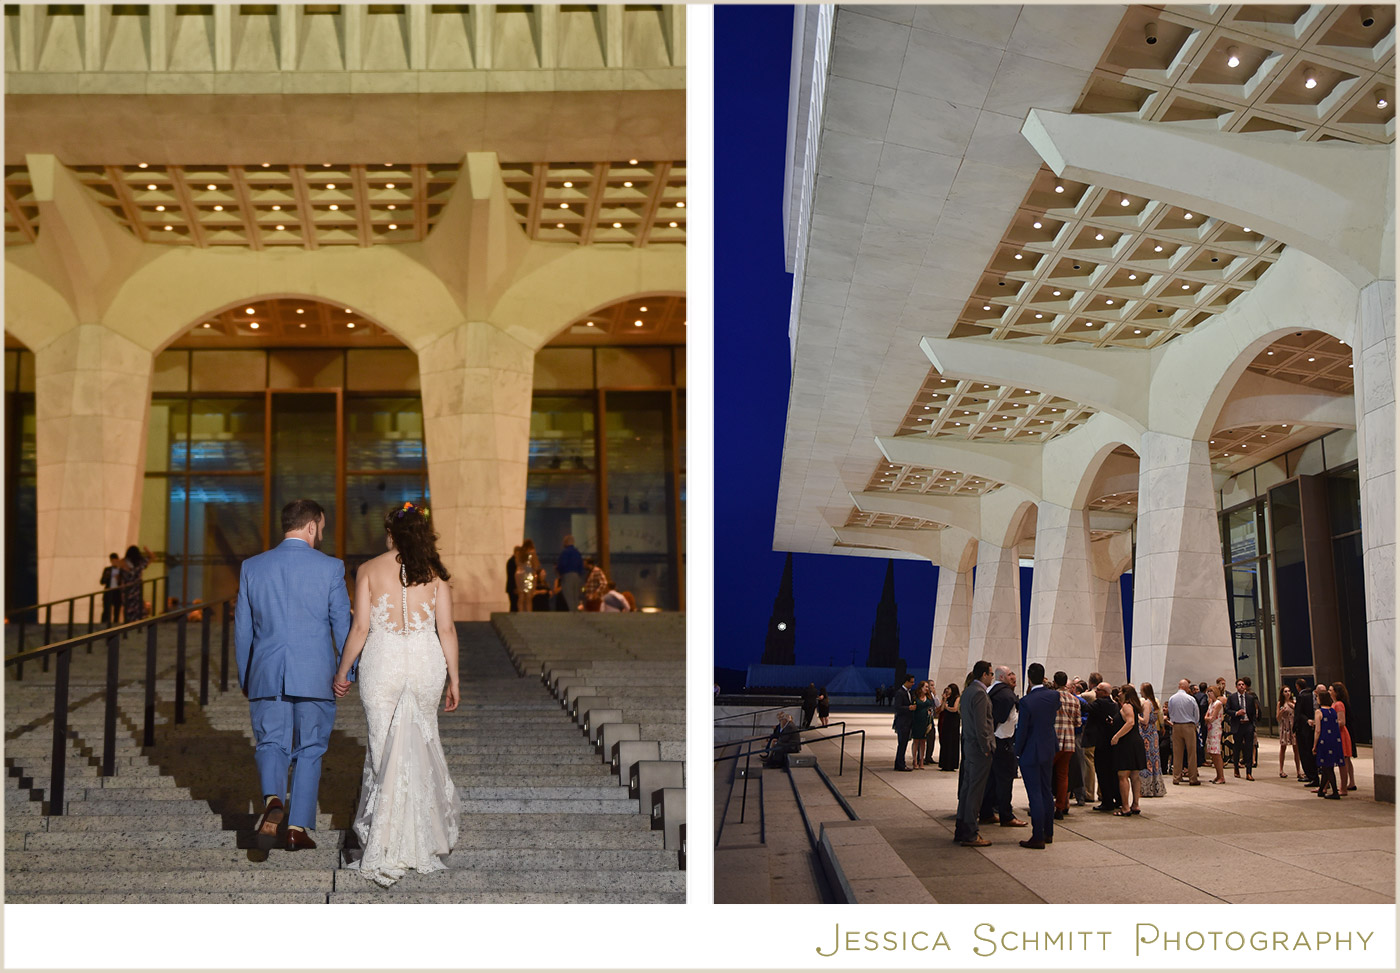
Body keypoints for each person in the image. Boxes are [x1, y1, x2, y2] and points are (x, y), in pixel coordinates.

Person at [333, 501, 460, 885]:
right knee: (423, 740)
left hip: (383, 661)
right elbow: (448, 631)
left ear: (391, 533)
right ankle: (421, 835)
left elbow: (359, 629)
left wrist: (342, 671)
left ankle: (385, 841)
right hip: (424, 662)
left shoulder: (369, 569)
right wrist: (455, 678)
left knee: (382, 747)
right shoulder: (435, 574)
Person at [234, 499, 351, 852]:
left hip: (266, 672)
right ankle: (297, 828)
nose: (321, 536)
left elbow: (242, 631)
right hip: (316, 674)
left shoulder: (252, 567)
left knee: (271, 742)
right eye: (322, 529)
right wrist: (348, 672)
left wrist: (247, 677)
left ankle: (272, 797)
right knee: (311, 748)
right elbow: (342, 624)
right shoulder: (331, 568)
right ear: (312, 526)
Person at [1014, 663, 1060, 849]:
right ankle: (1048, 832)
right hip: (1048, 748)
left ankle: (1037, 836)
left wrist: (1017, 751)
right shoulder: (1054, 696)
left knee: (1035, 794)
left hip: (1031, 751)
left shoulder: (1026, 701)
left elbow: (1023, 730)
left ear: (1029, 678)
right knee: (1046, 791)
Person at [954, 661, 995, 847]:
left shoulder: (968, 691)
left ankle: (961, 829)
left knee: (967, 789)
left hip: (969, 747)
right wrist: (986, 747)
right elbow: (982, 725)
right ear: (984, 674)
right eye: (991, 674)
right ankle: (970, 833)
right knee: (975, 792)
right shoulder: (979, 693)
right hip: (979, 750)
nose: (992, 677)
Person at [981, 667, 1027, 829]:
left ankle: (986, 812)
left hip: (993, 741)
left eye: (1013, 673)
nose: (1013, 676)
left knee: (992, 779)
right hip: (1003, 742)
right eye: (1009, 675)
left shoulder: (991, 690)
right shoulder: (1007, 695)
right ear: (1001, 677)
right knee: (1005, 780)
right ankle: (1006, 816)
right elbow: (1000, 718)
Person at [1109, 684, 1147, 815]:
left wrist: (1116, 736)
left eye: (1120, 691)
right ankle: (1135, 804)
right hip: (1136, 742)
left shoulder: (1126, 706)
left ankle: (1125, 807)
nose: (1118, 693)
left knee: (1123, 775)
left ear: (1125, 693)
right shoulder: (1134, 706)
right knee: (1135, 775)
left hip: (1127, 743)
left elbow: (1130, 722)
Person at [1087, 682, 1122, 811]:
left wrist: (1073, 697)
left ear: (1106, 693)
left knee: (1102, 773)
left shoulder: (1100, 703)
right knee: (1113, 773)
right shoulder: (1114, 705)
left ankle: (1107, 802)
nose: (1095, 691)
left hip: (1102, 744)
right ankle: (1118, 799)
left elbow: (1086, 707)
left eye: (1099, 690)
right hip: (1112, 744)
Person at [1050, 671, 1080, 820]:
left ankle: (1046, 804)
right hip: (1069, 741)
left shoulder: (1051, 697)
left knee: (1046, 774)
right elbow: (1078, 722)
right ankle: (1060, 808)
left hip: (1053, 741)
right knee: (1063, 776)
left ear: (1054, 682)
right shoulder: (1074, 700)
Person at [1166, 678, 1201, 786]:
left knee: (1177, 753)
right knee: (1191, 753)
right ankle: (1192, 778)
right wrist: (1195, 724)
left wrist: (1174, 721)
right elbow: (1196, 714)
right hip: (1188, 726)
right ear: (1186, 687)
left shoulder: (1172, 698)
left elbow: (1170, 712)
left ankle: (1176, 777)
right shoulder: (1190, 699)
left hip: (1176, 726)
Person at [1312, 687, 1344, 799]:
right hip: (1334, 740)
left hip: (1324, 740)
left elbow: (1318, 730)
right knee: (1328, 765)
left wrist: (1315, 745)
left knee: (1326, 767)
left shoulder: (1319, 712)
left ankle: (1335, 791)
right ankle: (1321, 790)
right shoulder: (1333, 711)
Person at [1138, 682, 1167, 798]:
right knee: (1154, 760)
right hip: (1153, 733)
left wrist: (1136, 716)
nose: (1140, 692)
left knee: (1147, 760)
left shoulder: (1146, 703)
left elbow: (1145, 720)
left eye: (1141, 690)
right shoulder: (1155, 702)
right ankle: (1156, 787)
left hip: (1146, 735)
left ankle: (1146, 788)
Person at [1228, 676, 1259, 780]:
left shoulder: (1250, 698)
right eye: (1239, 685)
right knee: (1237, 747)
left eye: (1243, 684)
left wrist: (1252, 724)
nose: (1241, 686)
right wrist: (1236, 713)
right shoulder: (1232, 697)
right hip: (1238, 725)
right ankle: (1236, 768)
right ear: (1236, 687)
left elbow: (1254, 713)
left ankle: (1249, 772)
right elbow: (1227, 710)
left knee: (1249, 748)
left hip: (1248, 724)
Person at [1330, 681, 1356, 794]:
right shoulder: (1335, 703)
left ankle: (1343, 787)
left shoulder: (1339, 704)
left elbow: (1342, 721)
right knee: (1344, 760)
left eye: (1330, 690)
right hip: (1337, 733)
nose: (1329, 692)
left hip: (1340, 734)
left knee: (1343, 760)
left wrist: (1328, 723)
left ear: (1336, 692)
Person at [1293, 677, 1318, 786]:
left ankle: (1311, 775)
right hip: (1312, 727)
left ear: (1297, 687)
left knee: (1305, 752)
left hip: (1303, 730)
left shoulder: (1301, 697)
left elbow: (1298, 714)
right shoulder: (1311, 696)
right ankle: (1314, 775)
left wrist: (1295, 728)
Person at [120, 544, 152, 622]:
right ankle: (138, 619)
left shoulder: (124, 562)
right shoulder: (140, 563)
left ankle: (129, 619)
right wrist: (146, 549)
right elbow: (152, 557)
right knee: (137, 603)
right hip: (137, 587)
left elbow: (119, 571)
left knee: (128, 605)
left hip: (127, 588)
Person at [891, 674, 916, 772]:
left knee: (903, 743)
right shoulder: (900, 693)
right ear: (906, 681)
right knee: (902, 743)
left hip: (907, 722)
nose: (913, 684)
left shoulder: (909, 692)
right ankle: (901, 764)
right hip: (902, 722)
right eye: (912, 682)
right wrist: (908, 708)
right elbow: (897, 707)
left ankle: (899, 763)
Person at [556, 534, 585, 611]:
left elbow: (562, 564)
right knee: (576, 595)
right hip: (577, 576)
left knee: (569, 595)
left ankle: (572, 612)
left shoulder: (565, 553)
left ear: (565, 542)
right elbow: (581, 566)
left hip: (567, 575)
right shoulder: (577, 553)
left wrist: (560, 573)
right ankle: (576, 611)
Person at [1204, 686, 1226, 783]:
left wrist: (1208, 718)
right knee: (1212, 753)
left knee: (1216, 753)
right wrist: (1207, 718)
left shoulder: (1218, 704)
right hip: (1210, 729)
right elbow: (1206, 716)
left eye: (1211, 691)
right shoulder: (1211, 704)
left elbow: (1211, 717)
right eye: (1208, 691)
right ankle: (1218, 775)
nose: (1209, 693)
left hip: (1215, 729)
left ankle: (1221, 776)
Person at [1277, 686, 1300, 778]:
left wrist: (1293, 706)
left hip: (1293, 726)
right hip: (1285, 726)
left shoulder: (1293, 702)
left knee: (1296, 748)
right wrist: (1281, 712)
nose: (1287, 693)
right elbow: (1278, 718)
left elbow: (1298, 713)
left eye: (1289, 691)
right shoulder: (1280, 703)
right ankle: (1281, 769)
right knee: (1283, 748)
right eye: (1285, 691)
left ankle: (1298, 770)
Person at [911, 682, 936, 769]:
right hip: (917, 721)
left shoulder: (929, 697)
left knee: (923, 742)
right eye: (925, 687)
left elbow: (933, 706)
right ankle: (915, 760)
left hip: (926, 721)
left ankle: (922, 760)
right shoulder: (915, 697)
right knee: (916, 741)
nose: (927, 688)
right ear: (921, 687)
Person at [937, 684, 961, 771]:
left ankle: (951, 764)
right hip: (946, 720)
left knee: (952, 741)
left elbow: (955, 709)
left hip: (953, 721)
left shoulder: (957, 698)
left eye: (949, 689)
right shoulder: (947, 698)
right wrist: (944, 699)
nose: (948, 690)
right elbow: (942, 709)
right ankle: (944, 763)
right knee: (945, 741)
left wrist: (948, 708)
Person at [515, 540, 542, 613]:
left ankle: (520, 612)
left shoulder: (519, 553)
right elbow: (536, 566)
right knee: (528, 597)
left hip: (519, 575)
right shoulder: (532, 552)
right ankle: (528, 614)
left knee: (521, 596)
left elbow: (517, 563)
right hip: (528, 574)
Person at [100, 553, 123, 626]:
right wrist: (107, 576)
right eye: (112, 560)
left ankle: (115, 625)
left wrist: (119, 578)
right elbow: (102, 581)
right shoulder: (107, 570)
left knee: (117, 610)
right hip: (108, 592)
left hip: (117, 592)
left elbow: (124, 581)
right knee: (106, 610)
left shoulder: (121, 570)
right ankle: (104, 624)